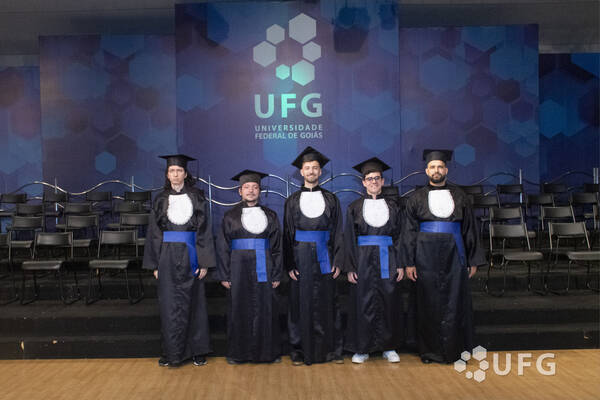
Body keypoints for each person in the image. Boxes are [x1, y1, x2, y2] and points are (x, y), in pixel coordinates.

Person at [403, 149, 485, 364]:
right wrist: (409, 262)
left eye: (440, 167)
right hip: (425, 256)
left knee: (454, 301)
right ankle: (429, 351)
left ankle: (454, 350)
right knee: (427, 302)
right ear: (426, 171)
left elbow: (469, 228)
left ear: (446, 170)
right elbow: (409, 232)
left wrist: (473, 259)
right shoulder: (416, 197)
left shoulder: (460, 196)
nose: (436, 170)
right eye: (432, 167)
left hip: (454, 254)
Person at [143, 154, 216, 367]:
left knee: (195, 303)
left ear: (185, 174)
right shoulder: (160, 199)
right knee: (169, 304)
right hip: (166, 255)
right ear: (167, 175)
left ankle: (197, 351)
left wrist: (204, 262)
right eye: (172, 171)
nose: (175, 174)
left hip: (191, 253)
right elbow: (154, 232)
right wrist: (155, 264)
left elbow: (204, 229)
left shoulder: (197, 197)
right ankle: (170, 352)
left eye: (179, 171)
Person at [283, 147, 344, 366]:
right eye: (307, 168)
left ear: (320, 172)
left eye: (315, 168)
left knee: (327, 302)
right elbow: (287, 233)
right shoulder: (291, 201)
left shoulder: (331, 199)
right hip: (300, 257)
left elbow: (338, 231)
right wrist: (289, 264)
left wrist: (338, 260)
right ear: (301, 172)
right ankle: (299, 351)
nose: (311, 171)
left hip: (325, 255)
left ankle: (331, 350)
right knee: (299, 304)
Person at [215, 170, 282, 364]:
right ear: (240, 191)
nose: (251, 191)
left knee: (265, 308)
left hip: (265, 267)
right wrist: (225, 275)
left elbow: (277, 246)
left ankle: (267, 353)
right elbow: (222, 246)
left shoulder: (271, 215)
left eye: (255, 187)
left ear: (260, 191)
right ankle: (238, 354)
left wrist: (277, 273)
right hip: (238, 269)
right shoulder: (230, 216)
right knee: (239, 309)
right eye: (246, 187)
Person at [343, 157, 405, 364]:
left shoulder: (394, 207)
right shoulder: (354, 207)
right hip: (363, 259)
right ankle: (362, 348)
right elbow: (349, 238)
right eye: (369, 179)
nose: (373, 182)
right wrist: (351, 267)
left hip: (389, 258)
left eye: (377, 178)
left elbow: (400, 236)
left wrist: (401, 263)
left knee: (389, 300)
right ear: (363, 182)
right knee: (363, 302)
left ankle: (389, 346)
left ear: (383, 181)